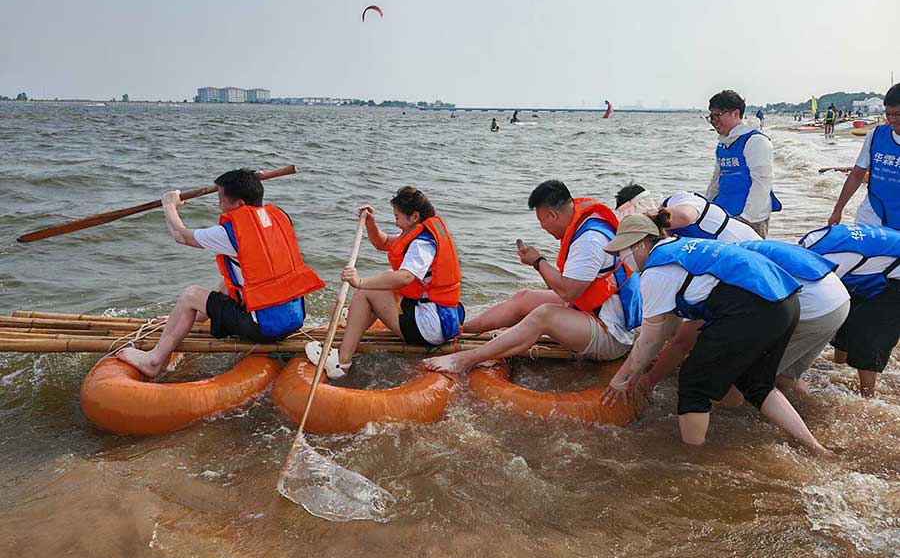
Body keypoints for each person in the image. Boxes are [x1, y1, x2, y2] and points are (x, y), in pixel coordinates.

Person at [599, 212, 830, 454]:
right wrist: (636, 374)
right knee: (756, 383)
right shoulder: (680, 248)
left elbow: (650, 338)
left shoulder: (657, 271)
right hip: (785, 302)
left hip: (755, 308)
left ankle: (692, 457)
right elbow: (667, 329)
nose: (621, 260)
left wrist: (621, 379)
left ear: (640, 244)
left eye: (621, 252)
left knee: (693, 384)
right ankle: (815, 447)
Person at [117, 169, 325, 377]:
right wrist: (249, 179)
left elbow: (181, 235)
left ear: (240, 205)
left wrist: (169, 205)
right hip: (293, 320)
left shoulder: (229, 233)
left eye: (221, 199)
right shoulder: (279, 217)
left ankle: (154, 360)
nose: (219, 205)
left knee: (191, 294)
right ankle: (196, 318)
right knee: (230, 279)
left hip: (262, 329)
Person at [424, 180, 640, 373]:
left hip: (612, 335)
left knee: (544, 314)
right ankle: (458, 330)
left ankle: (467, 359)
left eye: (541, 221)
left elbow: (568, 291)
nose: (543, 227)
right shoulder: (584, 220)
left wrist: (538, 262)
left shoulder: (589, 240)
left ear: (552, 215)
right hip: (593, 311)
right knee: (525, 297)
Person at [306, 187, 465, 378]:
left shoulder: (422, 244)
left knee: (367, 292)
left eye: (397, 217)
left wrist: (360, 281)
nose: (395, 222)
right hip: (438, 316)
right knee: (385, 278)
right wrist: (370, 224)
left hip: (430, 326)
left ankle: (342, 361)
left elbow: (406, 277)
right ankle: (356, 317)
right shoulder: (419, 233)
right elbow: (382, 243)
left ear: (414, 216)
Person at [736, 240, 850, 394]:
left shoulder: (730, 263)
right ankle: (814, 411)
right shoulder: (746, 245)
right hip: (839, 298)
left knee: (748, 375)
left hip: (814, 309)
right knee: (786, 375)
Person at [799, 223, 900, 396]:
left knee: (869, 334)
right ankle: (838, 367)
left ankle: (867, 398)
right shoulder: (811, 241)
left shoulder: (831, 259)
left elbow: (823, 300)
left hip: (895, 277)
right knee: (846, 315)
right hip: (876, 265)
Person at [706, 90, 782, 238]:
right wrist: (706, 207)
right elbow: (716, 180)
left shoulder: (756, 141)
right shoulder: (723, 144)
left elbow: (763, 182)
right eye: (711, 116)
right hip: (723, 215)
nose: (714, 121)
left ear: (736, 113)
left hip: (750, 219)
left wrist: (746, 218)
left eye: (718, 115)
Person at [828, 83, 900, 230]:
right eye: (889, 114)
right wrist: (838, 210)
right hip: (871, 215)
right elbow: (856, 175)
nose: (892, 120)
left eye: (898, 114)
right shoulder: (875, 136)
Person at [615, 183, 760, 243]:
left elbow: (684, 216)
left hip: (746, 244)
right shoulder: (664, 234)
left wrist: (643, 222)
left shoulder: (680, 199)